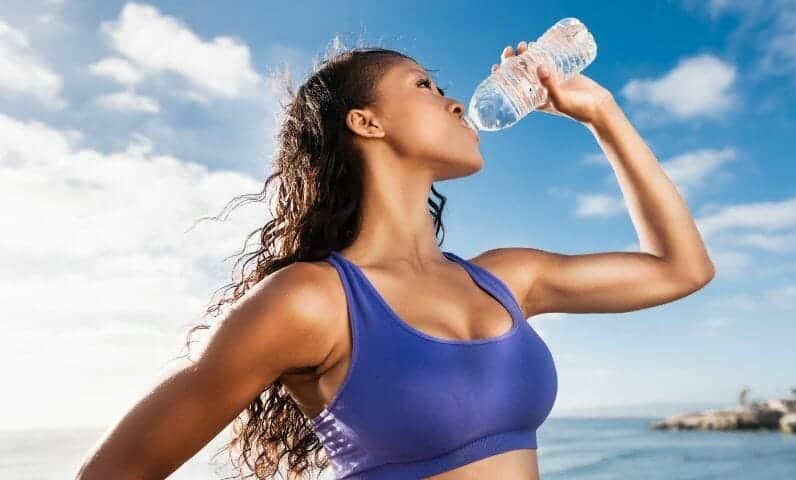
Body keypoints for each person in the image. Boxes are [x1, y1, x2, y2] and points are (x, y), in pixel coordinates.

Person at [74, 39, 714, 480]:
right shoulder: (310, 301)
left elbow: (681, 268)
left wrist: (600, 113)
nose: (456, 101)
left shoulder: (504, 278)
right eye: (426, 85)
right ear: (367, 122)